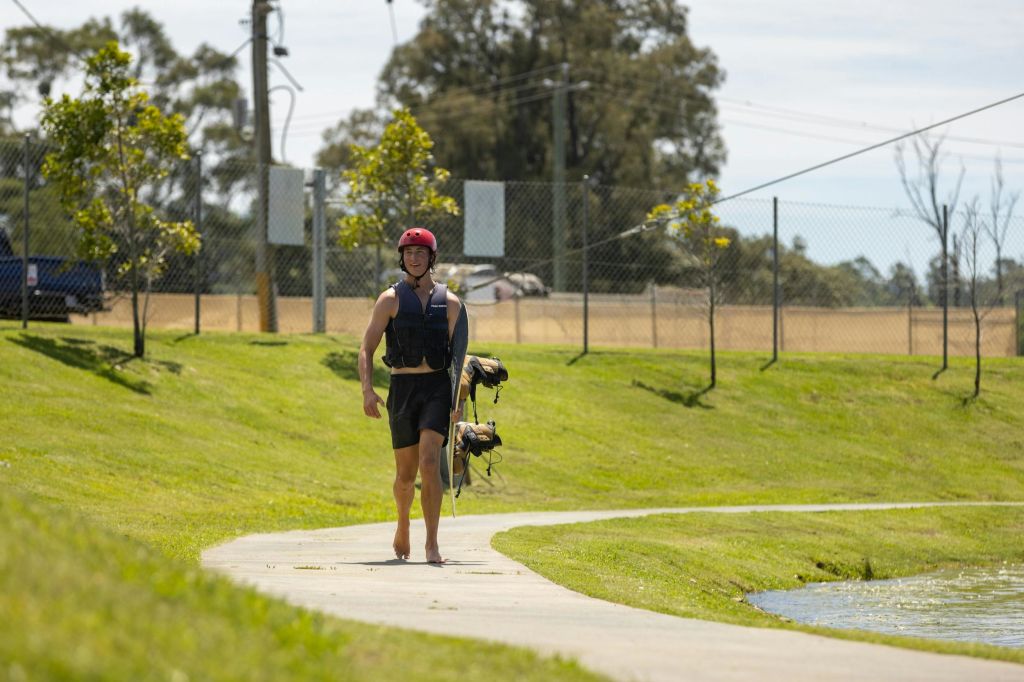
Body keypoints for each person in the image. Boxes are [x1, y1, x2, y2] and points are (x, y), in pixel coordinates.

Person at [359, 227, 462, 564]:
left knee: (429, 462)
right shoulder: (389, 300)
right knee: (405, 475)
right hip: (402, 391)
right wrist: (367, 390)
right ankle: (403, 523)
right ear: (401, 257)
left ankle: (432, 543)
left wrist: (457, 400)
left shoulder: (450, 304)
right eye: (409, 252)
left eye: (421, 252)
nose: (414, 258)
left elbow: (459, 359)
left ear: (431, 258)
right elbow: (367, 348)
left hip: (435, 389)